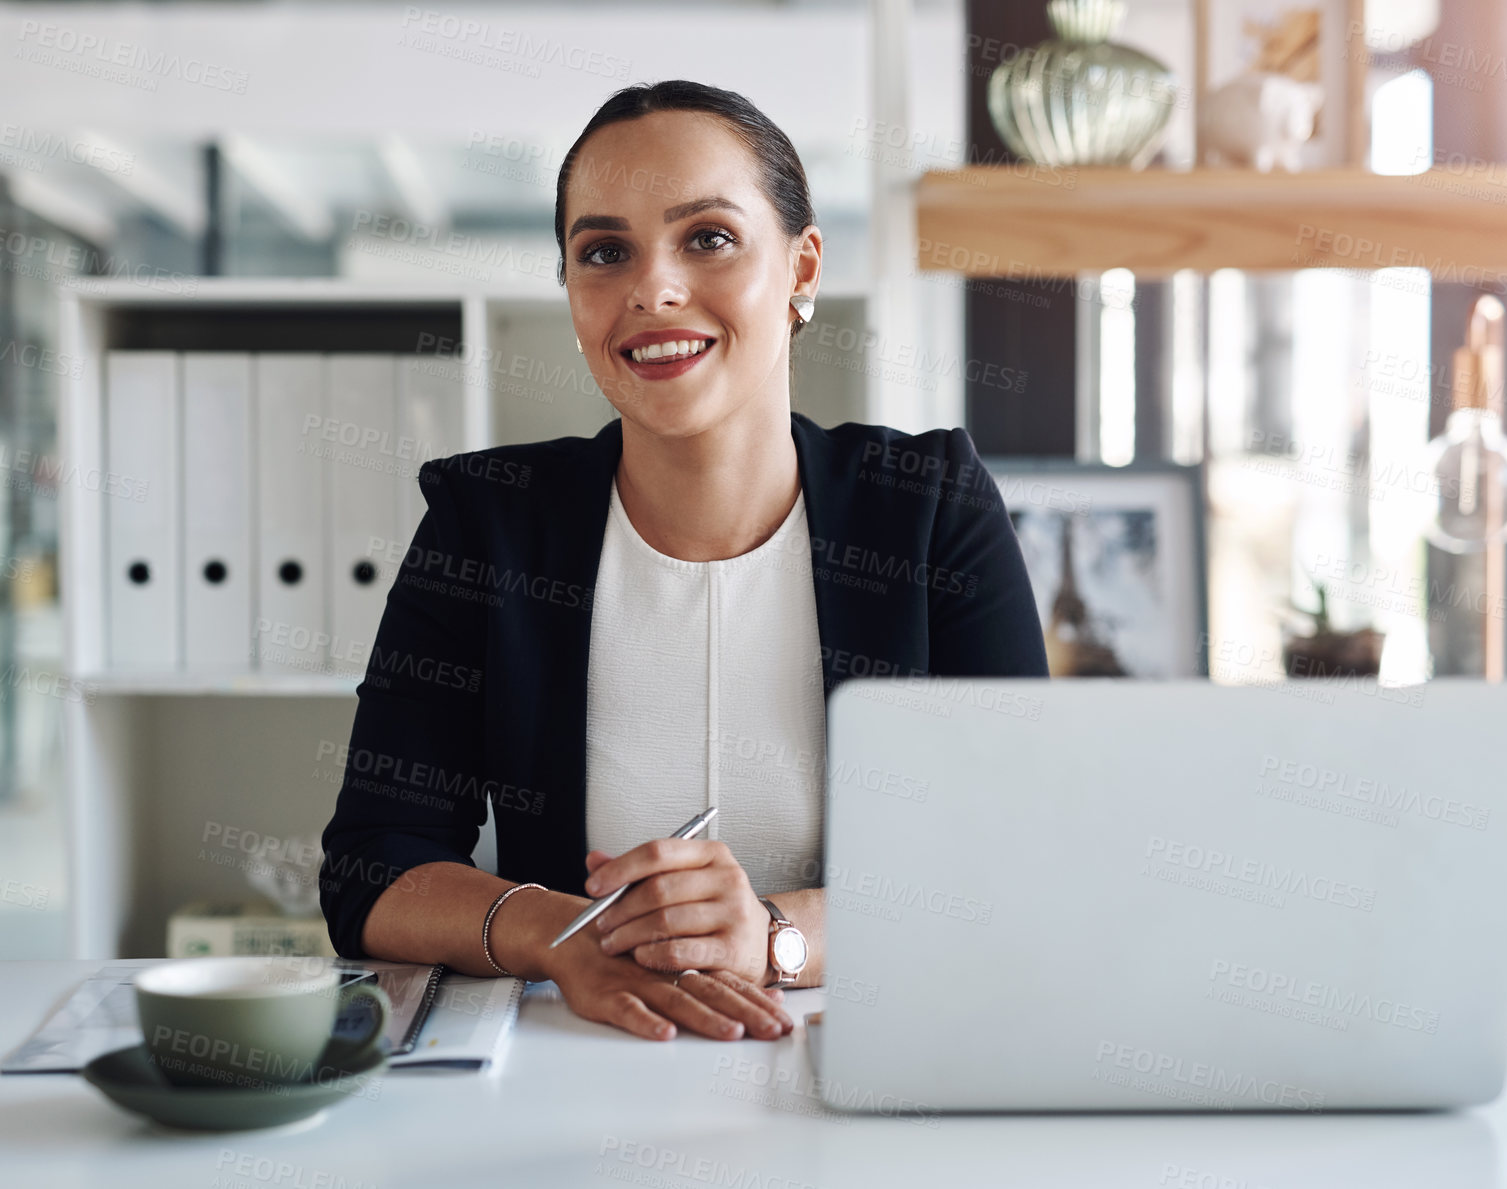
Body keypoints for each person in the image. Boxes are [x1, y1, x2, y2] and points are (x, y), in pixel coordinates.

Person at [318, 79, 1048, 1043]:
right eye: (604, 252)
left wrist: (775, 936)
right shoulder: (486, 524)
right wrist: (558, 933)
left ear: (801, 267)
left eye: (707, 237)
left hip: (877, 1054)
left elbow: (1023, 858)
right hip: (580, 1061)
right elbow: (374, 867)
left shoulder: (930, 507)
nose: (652, 289)